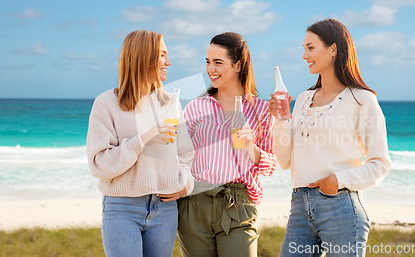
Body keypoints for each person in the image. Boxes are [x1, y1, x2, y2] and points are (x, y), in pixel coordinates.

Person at [269, 19, 391, 257]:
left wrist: (337, 179)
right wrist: (280, 120)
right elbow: (284, 161)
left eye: (311, 47)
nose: (304, 55)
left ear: (333, 49)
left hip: (341, 207)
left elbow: (380, 164)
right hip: (299, 207)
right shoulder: (304, 99)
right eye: (304, 48)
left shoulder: (362, 100)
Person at [86, 30, 195, 257]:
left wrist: (185, 184)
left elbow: (185, 154)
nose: (169, 62)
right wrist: (143, 139)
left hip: (165, 210)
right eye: (163, 55)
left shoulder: (171, 104)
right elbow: (99, 164)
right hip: (122, 208)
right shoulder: (106, 104)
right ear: (143, 58)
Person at [178, 32, 278, 257]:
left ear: (238, 65)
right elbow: (180, 157)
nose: (210, 69)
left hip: (239, 204)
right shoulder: (196, 107)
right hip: (194, 204)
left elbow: (270, 167)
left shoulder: (261, 111)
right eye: (208, 62)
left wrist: (251, 147)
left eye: (218, 62)